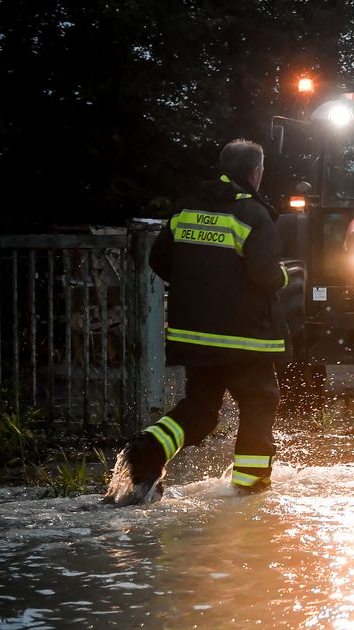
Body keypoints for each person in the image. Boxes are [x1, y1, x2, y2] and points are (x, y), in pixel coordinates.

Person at [104, 139, 290, 505]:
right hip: (244, 337)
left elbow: (160, 259)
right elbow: (266, 276)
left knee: (201, 410)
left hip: (195, 335)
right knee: (259, 400)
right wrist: (287, 274)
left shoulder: (187, 208)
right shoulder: (253, 214)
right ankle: (250, 489)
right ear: (256, 172)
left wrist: (200, 285)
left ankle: (149, 447)